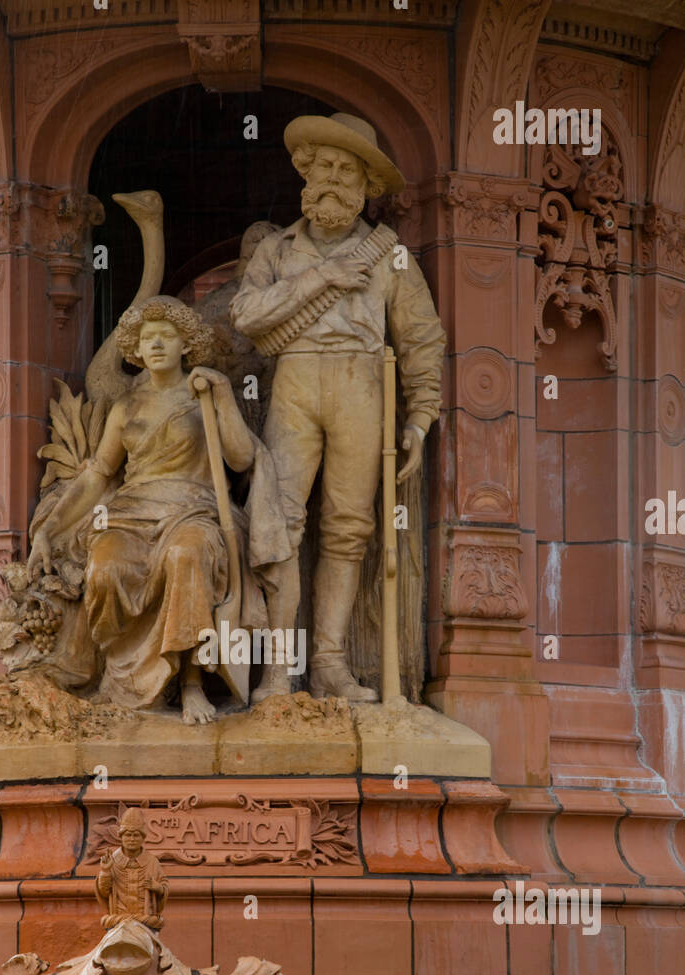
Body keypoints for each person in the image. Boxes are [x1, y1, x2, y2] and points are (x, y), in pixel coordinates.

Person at [230, 112, 446, 703]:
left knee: (348, 532)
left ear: (364, 186)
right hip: (295, 382)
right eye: (322, 165)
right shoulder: (279, 250)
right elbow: (245, 317)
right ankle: (277, 671)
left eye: (345, 169)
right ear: (305, 173)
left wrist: (419, 418)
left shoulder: (389, 256)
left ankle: (327, 664)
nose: (330, 178)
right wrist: (321, 276)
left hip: (361, 386)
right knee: (280, 527)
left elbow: (422, 337)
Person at [26, 295, 290, 722]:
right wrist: (49, 529)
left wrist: (223, 395)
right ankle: (124, 680)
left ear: (186, 344)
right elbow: (98, 474)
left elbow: (241, 459)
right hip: (132, 512)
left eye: (166, 336)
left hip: (193, 510)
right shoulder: (126, 406)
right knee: (105, 569)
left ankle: (190, 684)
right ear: (135, 347)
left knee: (187, 556)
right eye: (148, 338)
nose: (156, 345)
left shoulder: (204, 393)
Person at [95, 807, 167, 931]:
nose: (132, 839)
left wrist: (158, 888)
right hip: (119, 922)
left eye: (136, 835)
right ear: (121, 837)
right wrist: (105, 872)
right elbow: (105, 893)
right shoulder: (112, 861)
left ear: (143, 838)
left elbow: (163, 886)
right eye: (128, 835)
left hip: (145, 922)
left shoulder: (152, 862)